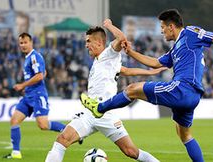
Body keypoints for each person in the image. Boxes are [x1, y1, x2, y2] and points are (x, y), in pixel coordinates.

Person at [80, 9, 213, 162]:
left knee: (132, 89)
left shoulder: (190, 33)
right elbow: (155, 63)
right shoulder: (175, 49)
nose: (161, 31)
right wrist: (130, 52)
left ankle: (100, 108)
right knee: (184, 135)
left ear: (171, 26)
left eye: (162, 27)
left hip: (183, 88)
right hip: (192, 96)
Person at [45, 19, 162, 162]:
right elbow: (125, 70)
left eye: (88, 41)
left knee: (131, 151)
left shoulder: (110, 53)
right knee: (62, 139)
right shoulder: (99, 61)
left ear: (99, 42)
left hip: (106, 113)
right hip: (89, 113)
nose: (86, 45)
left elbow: (121, 38)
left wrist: (108, 26)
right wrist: (149, 72)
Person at [3, 33, 65, 159]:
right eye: (21, 43)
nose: (23, 45)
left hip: (38, 95)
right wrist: (27, 87)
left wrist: (22, 85)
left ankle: (69, 130)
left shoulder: (34, 57)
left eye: (25, 42)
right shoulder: (28, 58)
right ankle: (16, 153)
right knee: (14, 120)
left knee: (43, 125)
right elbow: (43, 73)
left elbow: (40, 76)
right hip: (28, 96)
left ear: (31, 43)